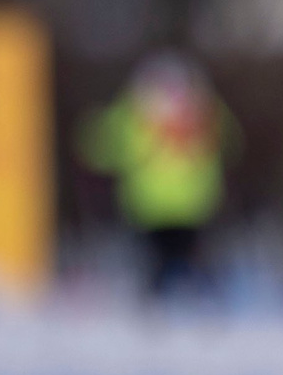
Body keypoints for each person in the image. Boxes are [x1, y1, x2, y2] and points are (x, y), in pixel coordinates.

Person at [80, 53, 237, 301]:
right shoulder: (204, 111)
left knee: (165, 261)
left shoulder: (135, 112)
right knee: (177, 259)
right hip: (183, 202)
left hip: (158, 203)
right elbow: (229, 143)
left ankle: (170, 304)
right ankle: (189, 302)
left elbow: (101, 146)